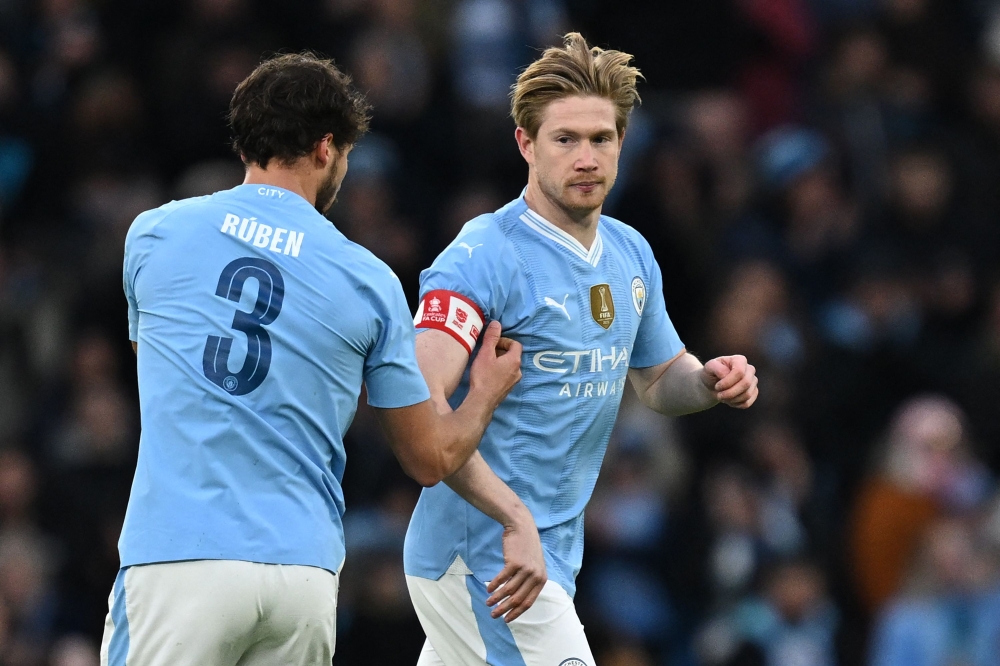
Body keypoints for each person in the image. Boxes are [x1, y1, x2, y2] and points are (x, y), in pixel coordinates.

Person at [99, 52, 523, 666]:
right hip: (302, 574)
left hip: (180, 557)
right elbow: (428, 458)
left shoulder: (154, 233)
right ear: (327, 148)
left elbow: (158, 366)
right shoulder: (368, 280)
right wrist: (484, 390)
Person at [404, 33, 759, 665]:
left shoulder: (630, 253)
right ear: (525, 143)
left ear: (623, 143)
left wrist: (708, 380)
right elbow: (419, 405)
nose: (586, 157)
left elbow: (656, 381)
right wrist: (514, 518)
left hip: (548, 553)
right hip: (484, 557)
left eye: (601, 138)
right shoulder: (485, 254)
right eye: (565, 139)